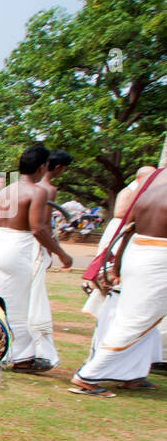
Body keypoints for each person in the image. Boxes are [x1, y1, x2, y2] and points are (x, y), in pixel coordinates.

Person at [0, 143, 72, 373]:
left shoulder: (7, 190)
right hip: (18, 247)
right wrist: (63, 254)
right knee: (20, 304)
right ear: (42, 167)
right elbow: (39, 229)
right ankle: (22, 358)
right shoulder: (37, 191)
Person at [71, 167, 167, 393]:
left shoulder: (152, 184)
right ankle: (88, 376)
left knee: (143, 319)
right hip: (158, 259)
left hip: (137, 252)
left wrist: (117, 266)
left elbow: (127, 230)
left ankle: (133, 374)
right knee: (138, 320)